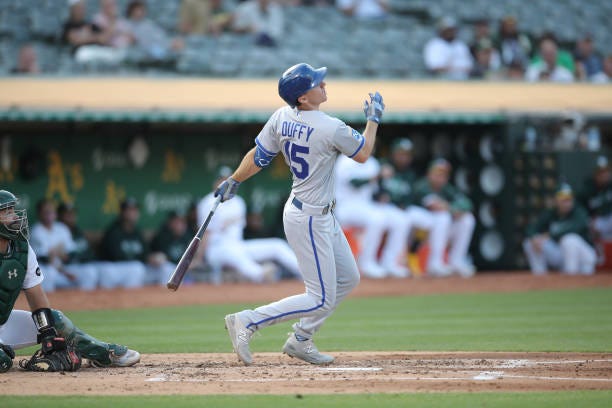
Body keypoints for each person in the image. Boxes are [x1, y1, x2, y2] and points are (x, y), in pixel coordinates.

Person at [219, 63, 384, 366]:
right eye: (316, 83)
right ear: (303, 98)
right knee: (320, 296)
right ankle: (248, 320)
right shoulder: (329, 126)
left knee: (348, 278)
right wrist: (372, 121)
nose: (323, 85)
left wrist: (235, 179)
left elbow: (259, 157)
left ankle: (300, 339)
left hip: (317, 213)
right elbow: (364, 153)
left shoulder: (282, 117)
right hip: (308, 217)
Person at [0, 190, 140, 373]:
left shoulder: (21, 249)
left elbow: (36, 296)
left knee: (54, 321)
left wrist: (48, 334)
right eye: (6, 212)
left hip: (5, 325)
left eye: (12, 210)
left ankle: (103, 354)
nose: (14, 216)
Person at [198, 166, 301, 284]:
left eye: (228, 179)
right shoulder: (207, 203)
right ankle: (260, 274)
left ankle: (307, 274)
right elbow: (205, 234)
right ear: (216, 183)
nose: (226, 183)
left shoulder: (238, 202)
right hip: (215, 250)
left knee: (277, 245)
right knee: (234, 253)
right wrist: (199, 258)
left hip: (238, 245)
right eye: (222, 180)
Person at [334, 154, 409, 278]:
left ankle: (390, 263)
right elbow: (354, 183)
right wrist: (378, 176)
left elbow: (375, 190)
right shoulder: (345, 160)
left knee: (401, 219)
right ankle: (366, 263)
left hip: (367, 205)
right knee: (377, 218)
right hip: (345, 207)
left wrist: (383, 195)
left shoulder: (372, 162)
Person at [411, 159, 476, 277]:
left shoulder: (447, 189)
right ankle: (435, 263)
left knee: (467, 219)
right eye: (437, 173)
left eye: (443, 174)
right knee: (443, 217)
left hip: (438, 231)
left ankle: (456, 261)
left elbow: (468, 204)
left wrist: (452, 208)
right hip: (418, 232)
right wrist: (453, 209)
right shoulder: (422, 186)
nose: (440, 177)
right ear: (429, 173)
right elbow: (435, 206)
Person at [523, 183, 596, 275]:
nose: (567, 203)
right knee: (530, 243)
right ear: (555, 200)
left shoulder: (579, 211)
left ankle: (571, 278)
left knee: (569, 240)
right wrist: (534, 238)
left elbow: (576, 228)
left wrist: (549, 235)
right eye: (563, 200)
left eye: (569, 199)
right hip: (562, 255)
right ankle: (539, 278)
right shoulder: (551, 213)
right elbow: (531, 228)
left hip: (584, 258)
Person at [29, 199, 98, 292]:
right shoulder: (37, 231)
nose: (49, 214)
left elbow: (71, 253)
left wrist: (57, 253)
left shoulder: (62, 228)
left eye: (51, 211)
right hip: (48, 269)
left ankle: (84, 303)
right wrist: (65, 271)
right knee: (49, 273)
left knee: (89, 272)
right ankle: (49, 304)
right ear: (39, 214)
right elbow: (47, 259)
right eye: (46, 212)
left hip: (65, 267)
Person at [98, 198, 150, 288]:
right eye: (130, 210)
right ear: (123, 212)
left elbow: (145, 252)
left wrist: (150, 258)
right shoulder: (114, 231)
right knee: (136, 268)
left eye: (135, 210)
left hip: (129, 268)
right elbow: (116, 256)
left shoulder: (137, 232)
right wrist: (142, 257)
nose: (134, 213)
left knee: (138, 268)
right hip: (111, 268)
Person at [577, 156, 612, 240]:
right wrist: (588, 220)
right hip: (595, 222)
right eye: (601, 172)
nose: (604, 175)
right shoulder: (587, 189)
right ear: (595, 173)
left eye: (606, 171)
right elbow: (578, 209)